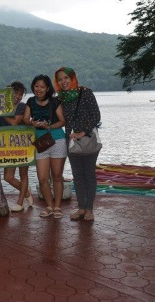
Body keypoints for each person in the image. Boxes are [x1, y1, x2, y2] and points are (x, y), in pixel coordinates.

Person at [54, 67, 101, 222]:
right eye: (60, 79)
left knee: (89, 174)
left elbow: (96, 115)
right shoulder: (60, 98)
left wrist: (82, 132)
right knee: (77, 176)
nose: (63, 81)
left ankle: (89, 209)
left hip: (87, 139)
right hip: (71, 141)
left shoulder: (85, 92)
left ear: (73, 78)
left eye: (66, 78)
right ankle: (81, 208)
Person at [23, 74, 67, 219]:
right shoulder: (30, 101)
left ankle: (57, 207)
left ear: (47, 88)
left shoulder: (55, 102)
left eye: (42, 87)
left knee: (57, 177)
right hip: (41, 143)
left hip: (57, 140)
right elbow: (25, 119)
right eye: (36, 86)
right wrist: (32, 123)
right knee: (42, 178)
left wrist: (49, 126)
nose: (39, 89)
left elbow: (62, 121)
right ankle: (49, 206)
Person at [0, 81, 34, 212]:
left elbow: (15, 122)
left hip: (23, 143)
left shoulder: (22, 106)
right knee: (8, 177)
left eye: (20, 94)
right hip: (7, 145)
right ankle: (26, 192)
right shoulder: (1, 106)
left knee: (23, 173)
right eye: (15, 93)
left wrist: (2, 113)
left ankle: (20, 203)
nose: (18, 96)